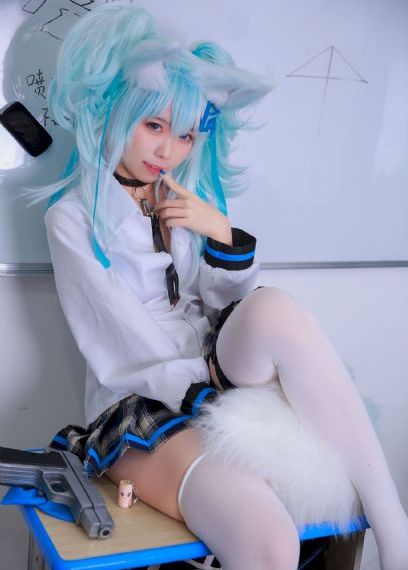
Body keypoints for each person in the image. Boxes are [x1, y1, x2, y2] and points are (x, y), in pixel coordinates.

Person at [26, 4, 408, 569]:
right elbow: (116, 336)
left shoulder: (181, 197)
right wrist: (203, 385)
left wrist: (221, 233)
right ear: (113, 112)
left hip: (212, 369)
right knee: (270, 542)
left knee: (274, 307)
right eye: (153, 126)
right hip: (141, 398)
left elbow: (227, 306)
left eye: (184, 134)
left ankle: (391, 522)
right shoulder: (72, 218)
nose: (168, 151)